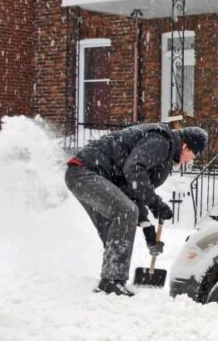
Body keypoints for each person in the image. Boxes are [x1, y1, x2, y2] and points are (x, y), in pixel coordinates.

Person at [65, 123, 208, 296]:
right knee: (125, 212)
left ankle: (110, 281)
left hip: (86, 175)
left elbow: (130, 188)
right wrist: (155, 203)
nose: (190, 161)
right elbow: (133, 170)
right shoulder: (161, 141)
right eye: (193, 155)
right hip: (86, 172)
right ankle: (111, 281)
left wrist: (148, 228)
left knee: (115, 227)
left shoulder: (165, 149)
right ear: (185, 146)